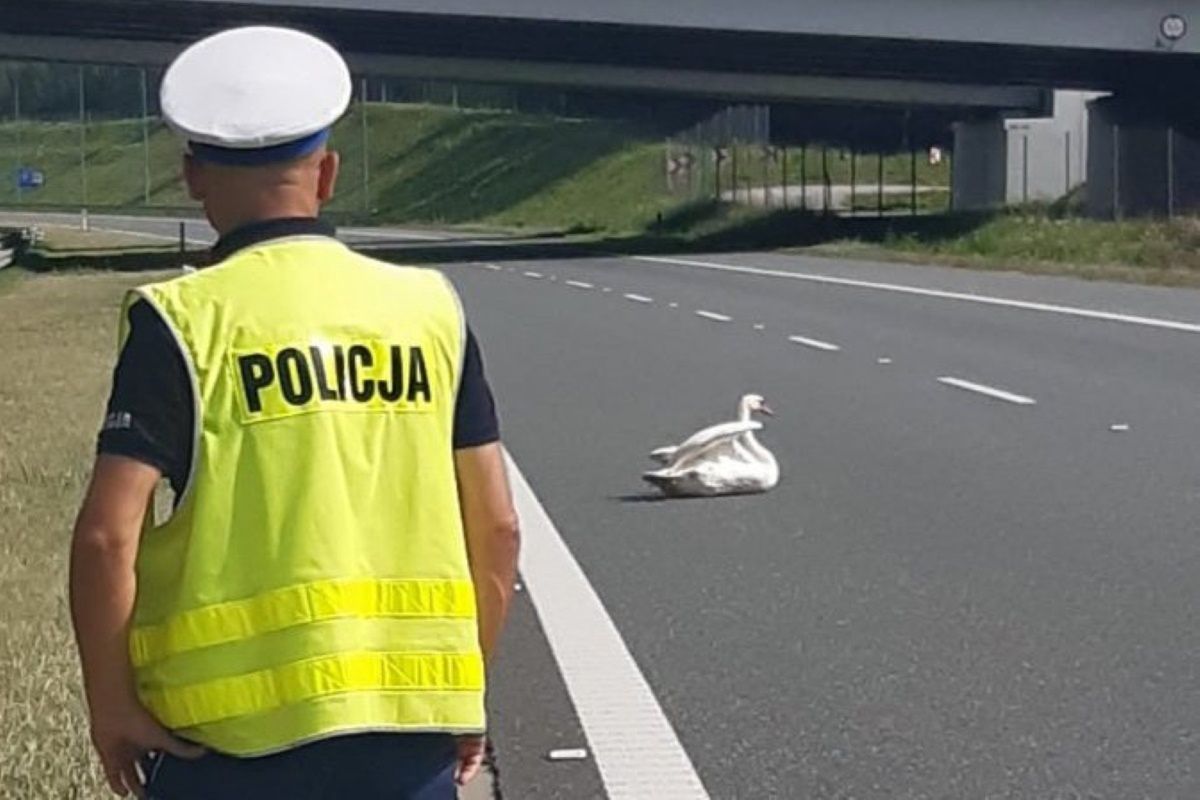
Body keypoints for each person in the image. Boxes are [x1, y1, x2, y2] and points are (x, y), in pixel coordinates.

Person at [68, 26, 520, 799]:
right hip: (404, 736)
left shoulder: (182, 321)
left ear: (192, 177)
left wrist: (110, 702)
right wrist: (462, 686)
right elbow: (500, 528)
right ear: (330, 173)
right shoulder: (428, 310)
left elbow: (110, 536)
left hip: (223, 748)